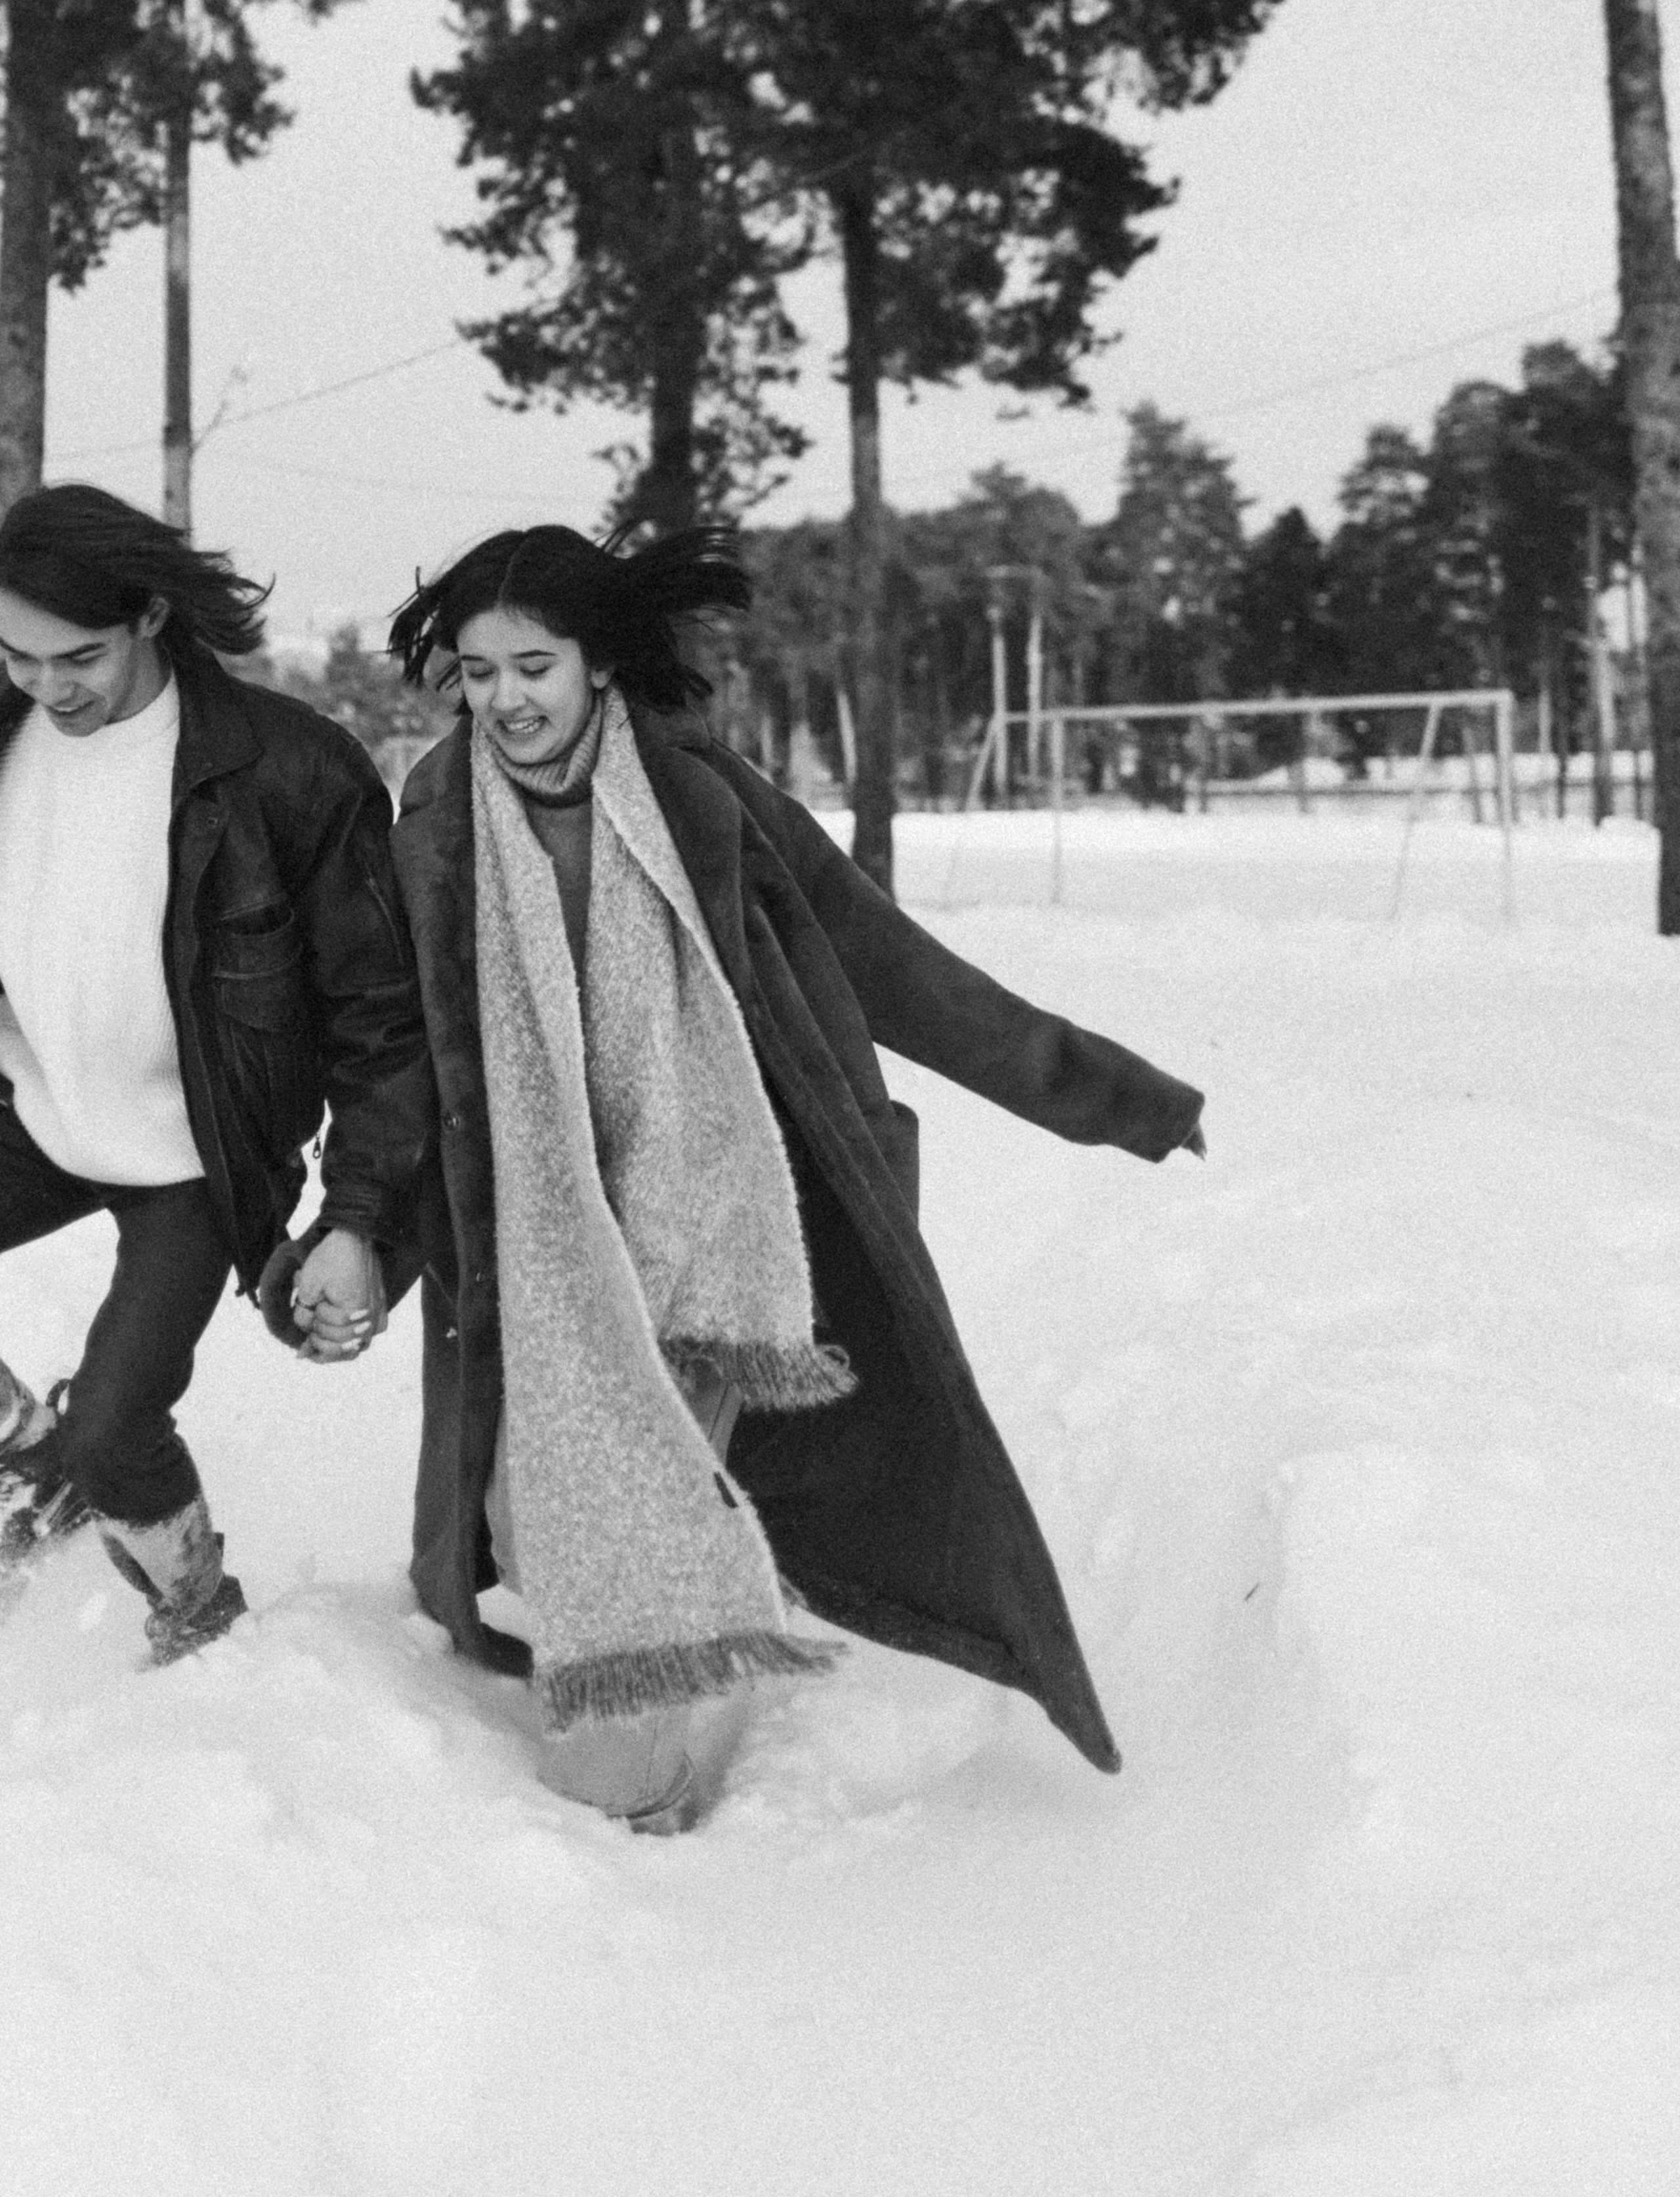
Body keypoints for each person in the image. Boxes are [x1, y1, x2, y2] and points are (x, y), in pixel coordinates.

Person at [289, 522, 1204, 1833]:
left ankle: (623, 1808)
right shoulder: (434, 821)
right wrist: (359, 1222)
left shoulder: (703, 800)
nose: (505, 701)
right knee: (522, 1517)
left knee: (617, 1532)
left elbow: (894, 966)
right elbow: (397, 1054)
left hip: (713, 1219)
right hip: (543, 1247)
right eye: (477, 674)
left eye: (532, 666)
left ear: (600, 664)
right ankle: (665, 1628)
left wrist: (1113, 1097)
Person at [0, 484, 432, 1661]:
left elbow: (381, 1026)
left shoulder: (289, 771)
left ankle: (196, 1615)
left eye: (78, 656)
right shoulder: (4, 733)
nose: (51, 687)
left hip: (197, 1160)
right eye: (19, 656)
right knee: (73, 1450)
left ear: (149, 616)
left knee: (119, 1431)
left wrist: (358, 1219)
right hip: (34, 1120)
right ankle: (27, 1464)